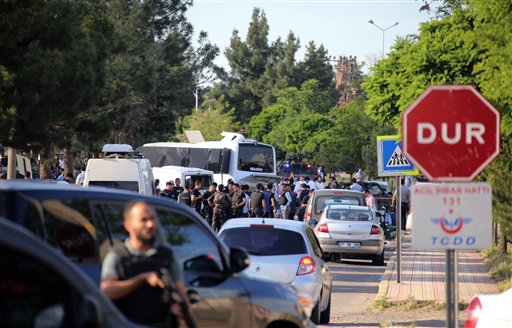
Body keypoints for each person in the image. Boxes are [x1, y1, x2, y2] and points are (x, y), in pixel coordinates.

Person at [100, 201, 187, 327]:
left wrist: (178, 306)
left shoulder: (166, 256)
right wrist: (142, 279)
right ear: (128, 225)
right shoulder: (117, 257)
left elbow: (181, 293)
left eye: (152, 219)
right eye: (144, 220)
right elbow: (107, 291)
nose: (150, 224)